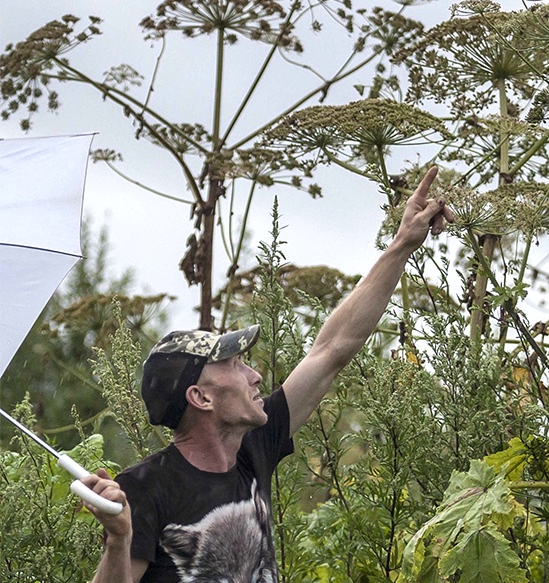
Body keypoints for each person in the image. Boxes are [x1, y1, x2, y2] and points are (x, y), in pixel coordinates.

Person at [81, 167, 453, 583]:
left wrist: (402, 245)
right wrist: (118, 539)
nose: (255, 375)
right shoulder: (145, 489)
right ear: (200, 397)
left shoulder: (254, 448)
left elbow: (332, 349)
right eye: (235, 365)